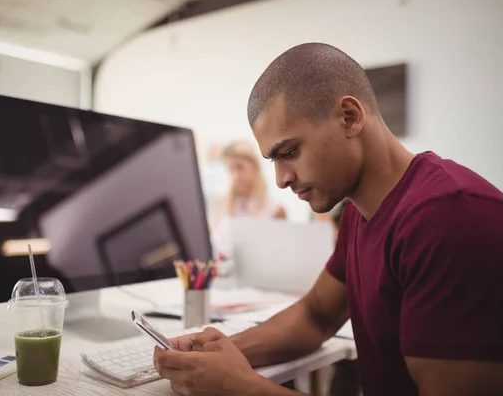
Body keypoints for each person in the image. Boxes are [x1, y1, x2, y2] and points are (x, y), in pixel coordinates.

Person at [153, 43, 503, 396]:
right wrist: (216, 353)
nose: (281, 179)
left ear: (349, 117)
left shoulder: (451, 218)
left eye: (289, 152)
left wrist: (241, 387)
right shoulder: (359, 210)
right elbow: (315, 316)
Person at [209, 140, 286, 258]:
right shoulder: (219, 208)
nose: (235, 176)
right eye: (230, 169)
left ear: (255, 167)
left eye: (239, 168)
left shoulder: (275, 211)